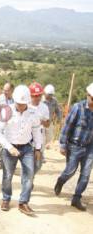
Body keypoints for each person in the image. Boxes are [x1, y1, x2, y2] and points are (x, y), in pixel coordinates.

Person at [0, 85, 42, 215]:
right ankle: (6, 199)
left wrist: (38, 148)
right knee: (8, 175)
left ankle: (23, 203)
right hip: (10, 147)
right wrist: (9, 147)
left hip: (27, 148)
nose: (20, 106)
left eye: (23, 104)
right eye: (18, 103)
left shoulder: (33, 112)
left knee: (29, 175)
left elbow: (37, 130)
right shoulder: (6, 111)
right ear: (14, 100)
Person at [54, 83, 93, 211]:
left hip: (89, 147)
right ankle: (61, 180)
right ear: (88, 95)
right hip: (74, 146)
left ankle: (76, 198)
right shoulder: (78, 107)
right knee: (70, 171)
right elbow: (67, 127)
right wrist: (63, 145)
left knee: (86, 174)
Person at [29, 82, 50, 171]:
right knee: (27, 164)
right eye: (34, 95)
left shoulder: (44, 107)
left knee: (38, 164)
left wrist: (41, 121)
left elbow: (48, 124)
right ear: (30, 95)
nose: (37, 98)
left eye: (39, 95)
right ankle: (27, 182)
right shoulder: (25, 105)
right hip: (27, 138)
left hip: (40, 137)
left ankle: (30, 178)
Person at [0, 82, 15, 169]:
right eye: (4, 90)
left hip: (12, 125)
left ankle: (10, 162)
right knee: (0, 143)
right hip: (1, 123)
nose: (4, 92)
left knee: (12, 143)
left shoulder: (15, 99)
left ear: (12, 90)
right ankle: (0, 161)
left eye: (7, 90)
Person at [43, 84, 62, 149]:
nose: (50, 96)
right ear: (45, 93)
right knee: (41, 140)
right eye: (49, 94)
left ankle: (44, 150)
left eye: (51, 94)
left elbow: (58, 110)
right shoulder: (40, 100)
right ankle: (41, 154)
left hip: (49, 123)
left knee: (49, 138)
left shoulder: (54, 101)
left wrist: (59, 119)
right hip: (41, 123)